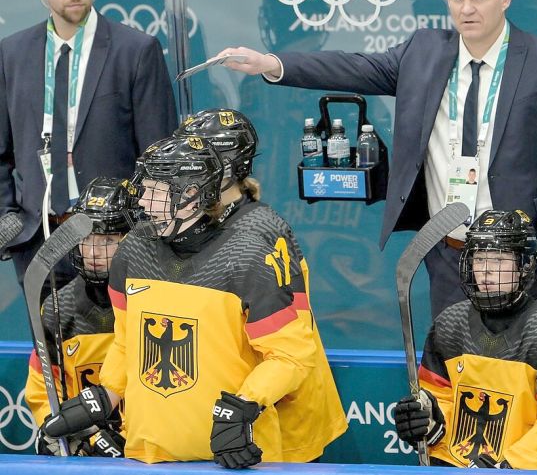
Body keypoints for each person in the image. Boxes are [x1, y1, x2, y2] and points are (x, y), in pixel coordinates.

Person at [216, 0, 537, 317]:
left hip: (524, 254)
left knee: (529, 371)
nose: (466, 10)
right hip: (448, 255)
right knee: (454, 371)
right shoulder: (423, 51)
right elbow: (351, 67)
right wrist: (269, 62)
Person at [41, 136, 334, 467]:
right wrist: (104, 395)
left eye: (155, 191)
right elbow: (128, 345)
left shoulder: (249, 256)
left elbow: (291, 356)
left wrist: (244, 404)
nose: (145, 202)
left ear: (192, 194)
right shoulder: (133, 250)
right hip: (148, 454)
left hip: (232, 456)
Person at [0, 0, 176, 292]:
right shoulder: (12, 54)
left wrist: (140, 233)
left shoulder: (136, 50)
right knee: (50, 346)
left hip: (114, 241)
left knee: (118, 347)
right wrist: (9, 217)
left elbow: (158, 157)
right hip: (38, 240)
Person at [172, 108, 348, 462]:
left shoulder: (259, 230)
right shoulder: (199, 223)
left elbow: (290, 349)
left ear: (230, 166)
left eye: (199, 156)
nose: (186, 166)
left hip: (278, 412)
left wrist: (243, 405)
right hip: (235, 409)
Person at [392, 209, 537, 469]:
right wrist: (430, 423)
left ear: (525, 265)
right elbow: (440, 399)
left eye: (498, 261)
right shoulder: (449, 323)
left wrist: (507, 467)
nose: (485, 272)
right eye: (479, 259)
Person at [26, 176, 129, 457]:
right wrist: (60, 430)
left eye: (107, 240)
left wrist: (131, 440)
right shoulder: (60, 307)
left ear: (130, 239)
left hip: (142, 451)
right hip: (85, 450)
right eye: (87, 240)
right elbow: (41, 386)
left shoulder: (151, 300)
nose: (94, 252)